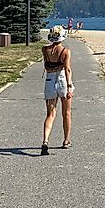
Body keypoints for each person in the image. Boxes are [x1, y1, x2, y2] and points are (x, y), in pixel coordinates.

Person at [41, 25, 73, 155]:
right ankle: (66, 140)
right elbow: (67, 70)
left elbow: (46, 65)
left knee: (50, 114)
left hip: (49, 80)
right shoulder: (65, 51)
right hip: (62, 80)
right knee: (66, 112)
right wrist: (69, 85)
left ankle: (45, 140)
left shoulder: (45, 50)